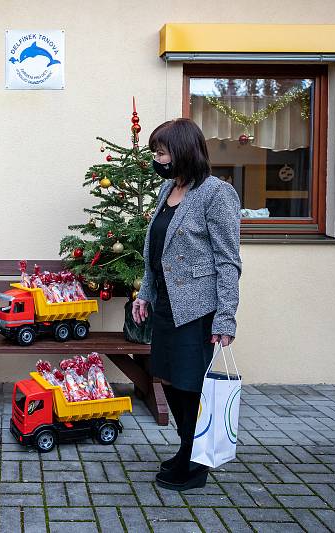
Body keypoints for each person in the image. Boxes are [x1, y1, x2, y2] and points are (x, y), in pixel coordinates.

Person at [131, 118, 241, 492]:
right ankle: (187, 448)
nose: (157, 160)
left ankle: (196, 466)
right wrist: (145, 293)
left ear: (182, 152)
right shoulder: (168, 189)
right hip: (166, 306)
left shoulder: (216, 194)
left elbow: (228, 260)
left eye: (161, 152)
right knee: (172, 383)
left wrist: (225, 318)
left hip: (198, 312)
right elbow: (155, 254)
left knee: (191, 386)